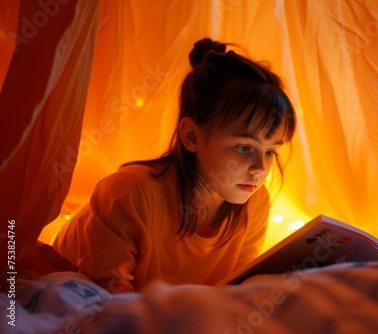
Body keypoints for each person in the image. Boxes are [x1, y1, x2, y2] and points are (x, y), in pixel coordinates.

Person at [53, 38, 296, 293]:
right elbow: (108, 298)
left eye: (271, 151)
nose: (260, 168)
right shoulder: (129, 192)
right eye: (244, 147)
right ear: (192, 136)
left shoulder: (254, 202)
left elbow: (237, 289)